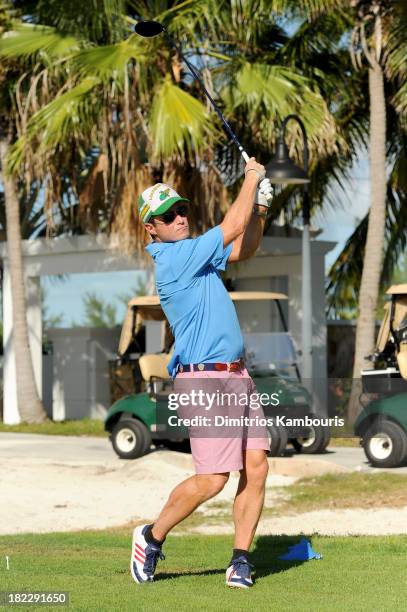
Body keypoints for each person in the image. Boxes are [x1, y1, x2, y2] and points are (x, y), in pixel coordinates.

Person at [131, 158, 273, 589]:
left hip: (236, 376)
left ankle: (240, 560)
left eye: (181, 210)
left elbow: (241, 247)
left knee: (258, 466)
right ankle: (151, 537)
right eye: (167, 215)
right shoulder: (174, 259)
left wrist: (261, 211)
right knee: (213, 478)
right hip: (205, 380)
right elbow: (231, 227)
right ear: (151, 229)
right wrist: (251, 179)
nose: (179, 217)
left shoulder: (197, 257)